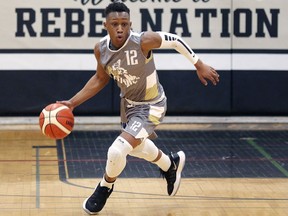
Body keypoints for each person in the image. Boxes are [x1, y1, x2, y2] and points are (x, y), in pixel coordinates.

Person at [58, 0, 219, 214]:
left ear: (130, 24)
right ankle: (170, 164)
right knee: (136, 148)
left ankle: (105, 187)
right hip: (129, 106)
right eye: (115, 24)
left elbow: (175, 40)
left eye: (124, 23)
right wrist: (71, 103)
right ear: (106, 25)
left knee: (117, 150)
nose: (120, 28)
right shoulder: (101, 49)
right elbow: (100, 79)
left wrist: (198, 64)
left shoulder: (143, 41)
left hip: (152, 105)